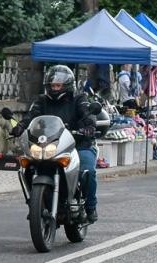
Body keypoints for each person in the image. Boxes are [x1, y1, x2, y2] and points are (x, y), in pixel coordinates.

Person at [20, 65, 103, 223]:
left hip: (78, 144)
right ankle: (36, 204)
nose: (54, 88)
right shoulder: (42, 100)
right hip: (51, 146)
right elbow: (32, 116)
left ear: (67, 85)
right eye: (52, 85)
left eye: (58, 85)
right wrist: (20, 126)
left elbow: (87, 113)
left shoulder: (79, 99)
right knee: (28, 167)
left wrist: (89, 126)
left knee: (87, 171)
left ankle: (90, 207)